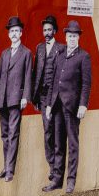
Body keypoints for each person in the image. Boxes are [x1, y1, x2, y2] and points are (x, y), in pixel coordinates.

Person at [44, 19, 92, 193]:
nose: (72, 38)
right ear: (65, 36)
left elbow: (86, 84)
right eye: (69, 35)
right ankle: (57, 180)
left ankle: (70, 181)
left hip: (72, 107)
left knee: (72, 144)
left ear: (78, 37)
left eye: (75, 36)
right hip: (56, 106)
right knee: (58, 145)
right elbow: (53, 82)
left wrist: (83, 105)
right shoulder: (60, 54)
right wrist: (49, 105)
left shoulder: (84, 56)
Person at [0, 16, 32, 183]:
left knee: (13, 134)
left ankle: (10, 170)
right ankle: (5, 167)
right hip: (2, 99)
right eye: (11, 31)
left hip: (16, 99)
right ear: (9, 35)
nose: (14, 34)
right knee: (4, 135)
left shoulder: (26, 53)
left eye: (16, 31)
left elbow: (28, 76)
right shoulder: (5, 53)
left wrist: (25, 97)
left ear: (21, 33)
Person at [32, 15, 65, 182]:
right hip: (43, 98)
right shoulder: (38, 48)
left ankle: (58, 169)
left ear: (55, 31)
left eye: (49, 30)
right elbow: (36, 72)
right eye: (44, 30)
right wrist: (34, 97)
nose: (46, 33)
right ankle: (52, 165)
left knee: (58, 133)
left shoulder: (62, 49)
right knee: (47, 133)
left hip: (57, 99)